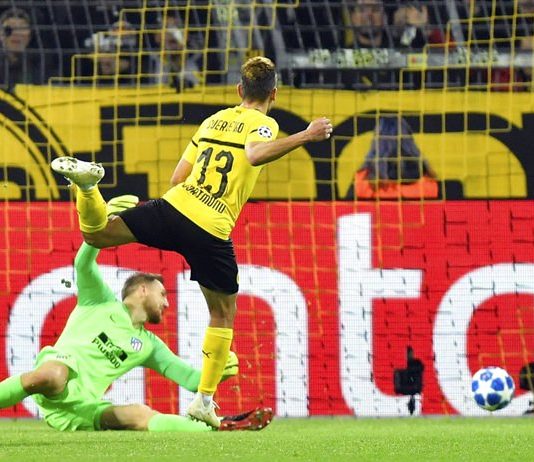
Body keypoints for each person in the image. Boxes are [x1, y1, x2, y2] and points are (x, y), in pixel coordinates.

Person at [50, 56, 332, 428]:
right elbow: (254, 154)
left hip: (175, 206)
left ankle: (88, 188)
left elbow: (177, 177)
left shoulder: (212, 120)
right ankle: (203, 401)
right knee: (223, 314)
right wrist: (307, 135)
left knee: (97, 234)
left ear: (239, 90)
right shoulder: (264, 123)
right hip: (211, 227)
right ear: (274, 94)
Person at [0, 195, 273, 432]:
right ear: (142, 289)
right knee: (52, 376)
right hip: (55, 377)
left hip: (80, 409)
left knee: (139, 414)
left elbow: (190, 380)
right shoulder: (99, 301)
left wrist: (217, 371)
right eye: (162, 294)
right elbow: (83, 264)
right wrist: (100, 224)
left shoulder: (149, 345)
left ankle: (220, 427)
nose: (167, 304)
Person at [0, 7, 48, 90]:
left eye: (22, 28)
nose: (16, 34)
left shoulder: (40, 65)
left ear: (30, 36)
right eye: (9, 29)